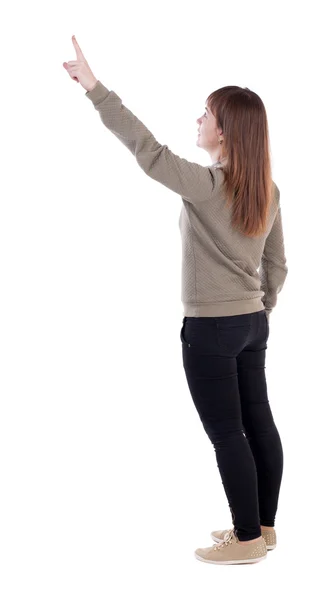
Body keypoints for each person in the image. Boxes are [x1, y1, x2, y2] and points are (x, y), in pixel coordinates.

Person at [64, 35, 288, 566]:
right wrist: (261, 308)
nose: (199, 120)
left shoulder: (207, 185)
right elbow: (276, 265)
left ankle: (246, 539)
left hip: (212, 330)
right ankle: (263, 527)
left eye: (206, 114)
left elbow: (148, 151)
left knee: (227, 433)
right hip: (253, 324)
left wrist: (96, 89)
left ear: (226, 131)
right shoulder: (268, 188)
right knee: (259, 422)